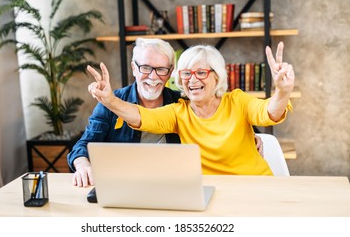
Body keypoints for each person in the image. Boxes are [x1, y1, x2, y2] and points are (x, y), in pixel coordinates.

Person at [68, 38, 264, 186]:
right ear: (133, 69)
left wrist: (245, 135)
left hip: (174, 185)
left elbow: (213, 115)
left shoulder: (182, 101)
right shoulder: (112, 102)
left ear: (170, 73)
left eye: (161, 69)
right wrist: (83, 165)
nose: (152, 77)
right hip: (125, 184)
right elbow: (83, 145)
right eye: (145, 68)